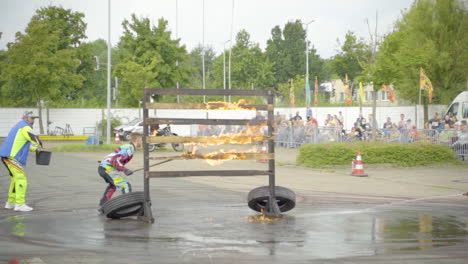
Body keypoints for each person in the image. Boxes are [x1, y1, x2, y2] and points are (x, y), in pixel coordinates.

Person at [0, 111, 41, 211]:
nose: (33, 120)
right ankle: (20, 204)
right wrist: (40, 145)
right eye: (32, 118)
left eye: (34, 118)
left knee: (15, 180)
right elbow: (35, 140)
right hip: (13, 157)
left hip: (7, 156)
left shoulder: (18, 126)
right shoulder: (25, 127)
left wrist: (34, 148)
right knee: (21, 179)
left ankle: (10, 203)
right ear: (26, 118)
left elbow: (24, 144)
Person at [98, 132, 142, 207]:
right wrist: (125, 169)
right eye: (141, 140)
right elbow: (114, 159)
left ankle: (103, 205)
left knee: (113, 186)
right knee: (125, 185)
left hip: (104, 168)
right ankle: (127, 206)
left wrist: (123, 169)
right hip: (108, 168)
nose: (142, 142)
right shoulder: (129, 148)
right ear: (137, 139)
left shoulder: (129, 148)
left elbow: (114, 158)